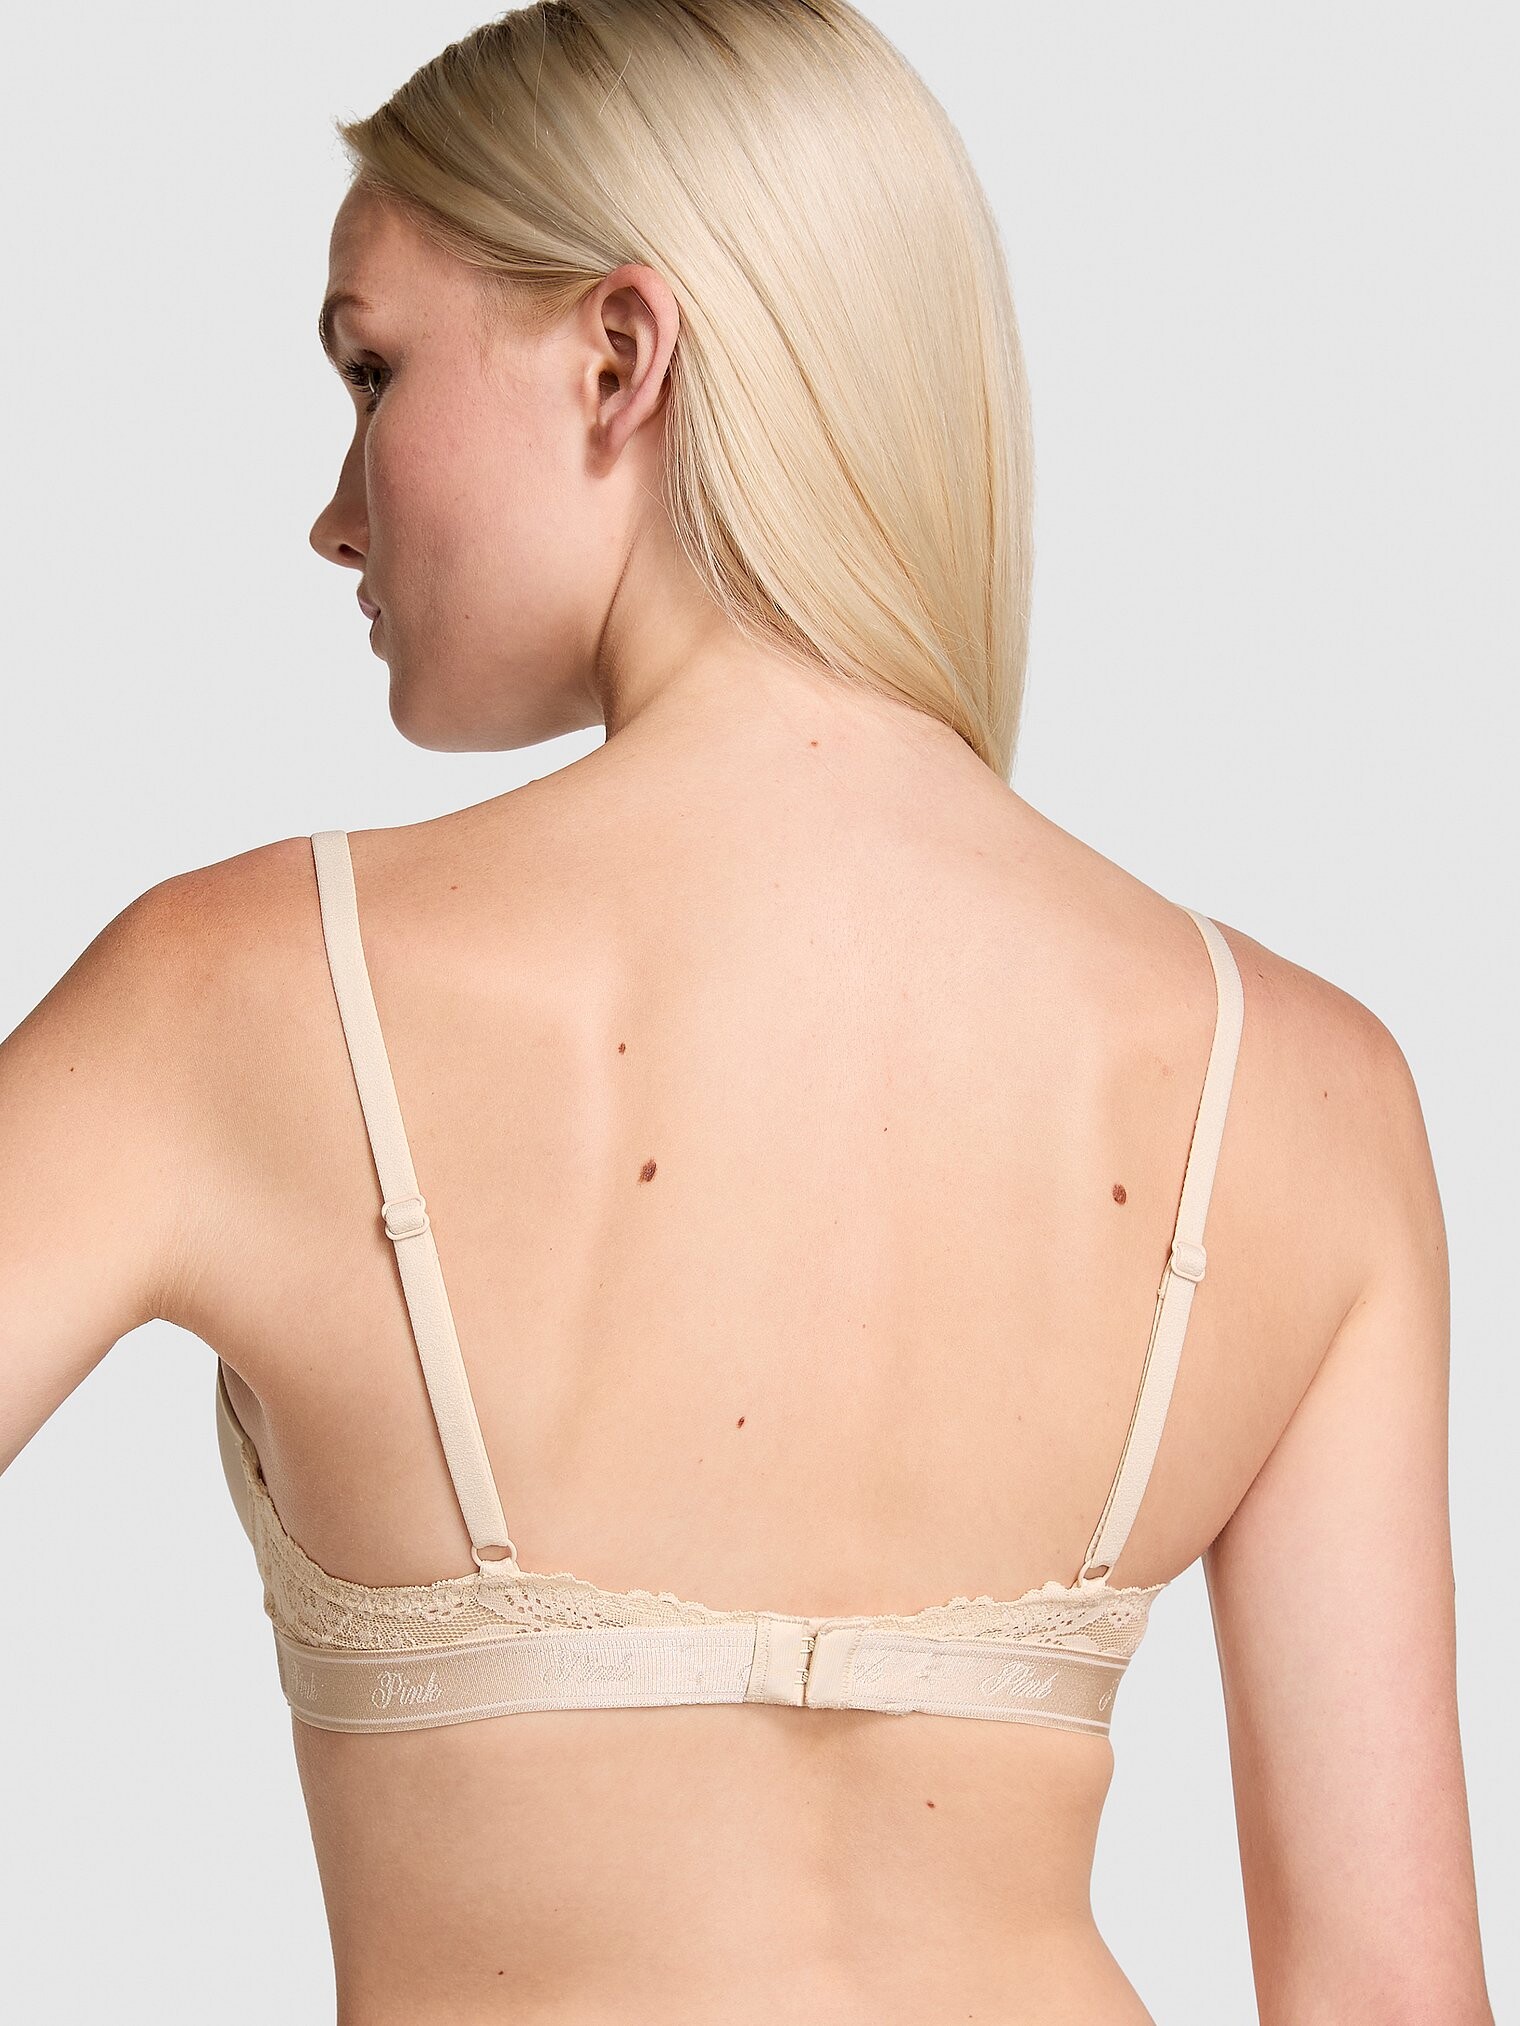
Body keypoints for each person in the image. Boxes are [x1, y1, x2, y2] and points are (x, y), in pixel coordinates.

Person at [0, 2, 1493, 2020]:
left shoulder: (243, 993)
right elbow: (1390, 1987)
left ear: (621, 356)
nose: (334, 511)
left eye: (373, 370)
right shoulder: (1298, 1083)